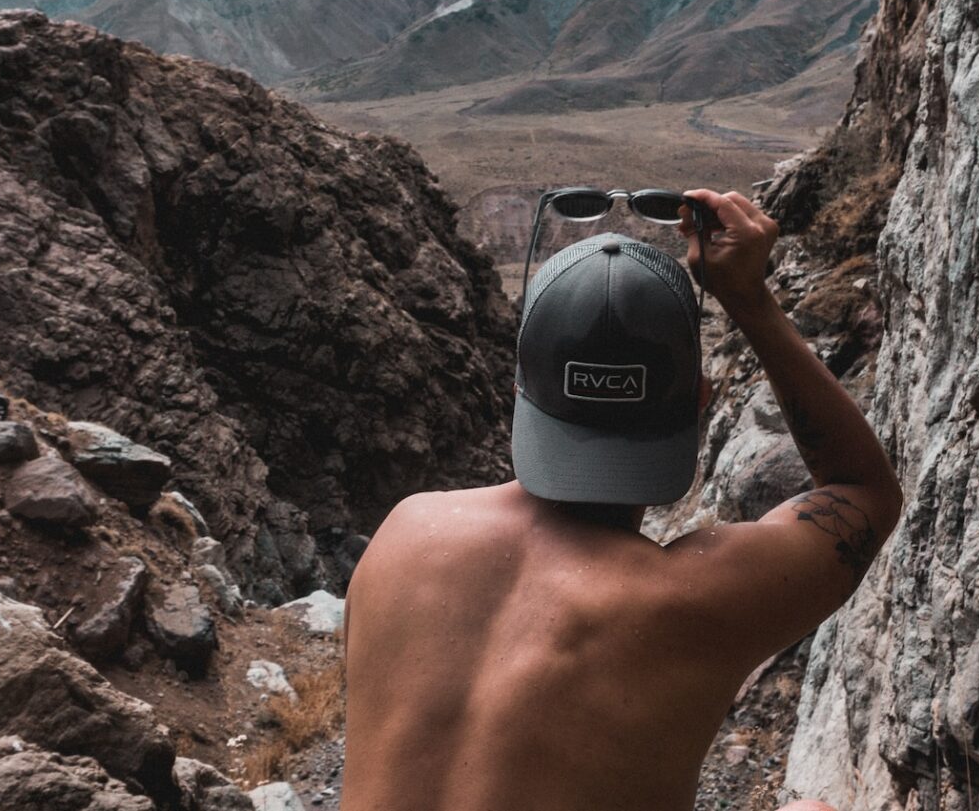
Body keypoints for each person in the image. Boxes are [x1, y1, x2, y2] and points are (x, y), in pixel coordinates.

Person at [341, 188, 903, 811]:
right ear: (700, 400)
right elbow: (861, 491)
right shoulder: (692, 601)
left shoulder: (406, 532)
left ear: (520, 384)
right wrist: (747, 298)